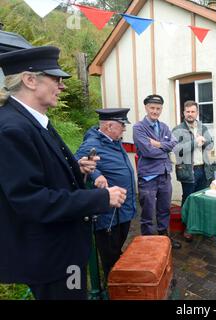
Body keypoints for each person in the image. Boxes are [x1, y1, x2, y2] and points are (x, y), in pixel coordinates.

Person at [0, 46, 127, 300]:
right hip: (51, 258)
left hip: (63, 250)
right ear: (30, 80)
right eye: (56, 79)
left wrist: (76, 168)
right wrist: (101, 199)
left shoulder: (32, 120)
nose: (62, 86)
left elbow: (42, 173)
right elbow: (31, 201)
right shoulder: (11, 129)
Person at [75, 108, 136, 280]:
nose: (124, 129)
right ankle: (113, 284)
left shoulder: (113, 140)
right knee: (110, 252)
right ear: (109, 126)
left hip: (122, 208)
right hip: (109, 213)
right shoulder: (93, 143)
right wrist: (96, 174)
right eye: (122, 125)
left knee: (118, 246)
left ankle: (118, 276)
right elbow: (77, 162)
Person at [133, 94, 181, 249]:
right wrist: (165, 149)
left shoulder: (165, 127)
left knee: (164, 210)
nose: (155, 111)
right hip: (148, 177)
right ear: (146, 108)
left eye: (158, 108)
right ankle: (148, 244)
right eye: (152, 108)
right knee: (147, 213)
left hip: (165, 175)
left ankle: (164, 239)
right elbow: (147, 152)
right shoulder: (138, 128)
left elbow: (173, 143)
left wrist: (158, 144)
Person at [172, 100, 214, 241]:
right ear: (184, 113)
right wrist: (194, 143)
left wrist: (205, 141)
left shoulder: (202, 127)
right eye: (188, 111)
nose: (190, 114)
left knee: (201, 198)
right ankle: (187, 228)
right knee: (189, 200)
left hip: (203, 169)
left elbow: (211, 142)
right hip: (188, 170)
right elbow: (177, 150)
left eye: (193, 111)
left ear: (197, 113)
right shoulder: (177, 130)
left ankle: (199, 226)